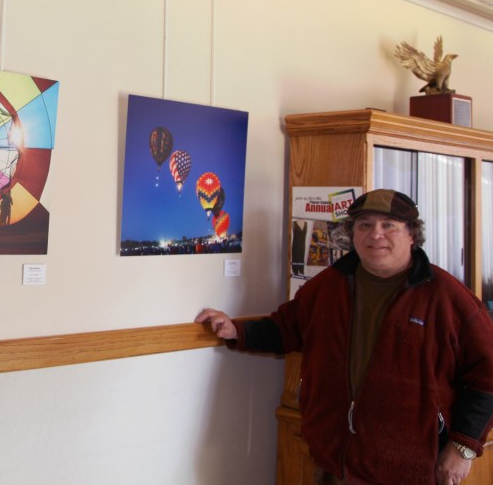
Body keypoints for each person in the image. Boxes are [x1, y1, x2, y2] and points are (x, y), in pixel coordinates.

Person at [196, 189, 493, 485]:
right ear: (352, 234)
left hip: (410, 470)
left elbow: (487, 374)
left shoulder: (447, 296)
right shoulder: (329, 285)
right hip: (334, 462)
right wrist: (236, 330)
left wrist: (463, 447)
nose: (375, 234)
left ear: (412, 235)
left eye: (388, 225)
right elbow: (286, 328)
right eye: (364, 225)